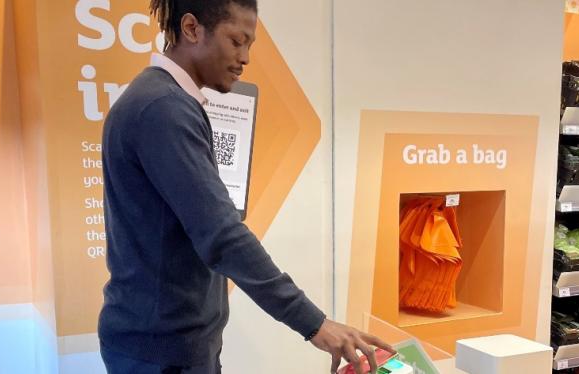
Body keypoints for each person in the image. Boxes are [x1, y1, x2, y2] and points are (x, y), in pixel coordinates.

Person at [98, 0, 394, 373]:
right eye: (236, 41)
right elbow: (222, 236)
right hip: (161, 350)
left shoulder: (170, 102)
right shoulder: (162, 108)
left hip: (172, 342)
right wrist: (315, 324)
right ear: (191, 29)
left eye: (249, 45)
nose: (245, 58)